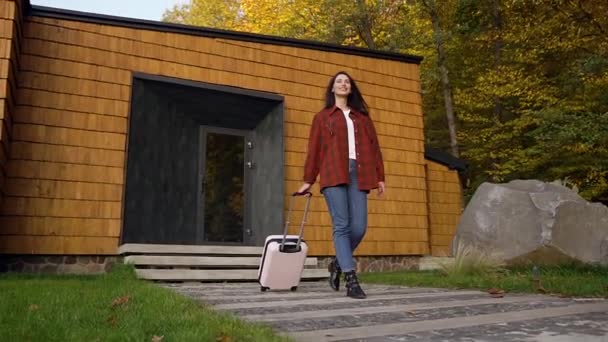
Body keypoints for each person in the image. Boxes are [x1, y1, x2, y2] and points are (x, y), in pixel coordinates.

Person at [297, 71, 385, 299]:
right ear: (332, 89)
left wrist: (380, 177)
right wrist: (308, 180)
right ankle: (351, 279)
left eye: (347, 82)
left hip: (360, 173)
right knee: (342, 225)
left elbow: (375, 150)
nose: (343, 84)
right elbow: (314, 151)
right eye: (339, 81)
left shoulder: (363, 119)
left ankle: (336, 263)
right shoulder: (323, 117)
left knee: (359, 228)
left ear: (351, 88)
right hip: (332, 172)